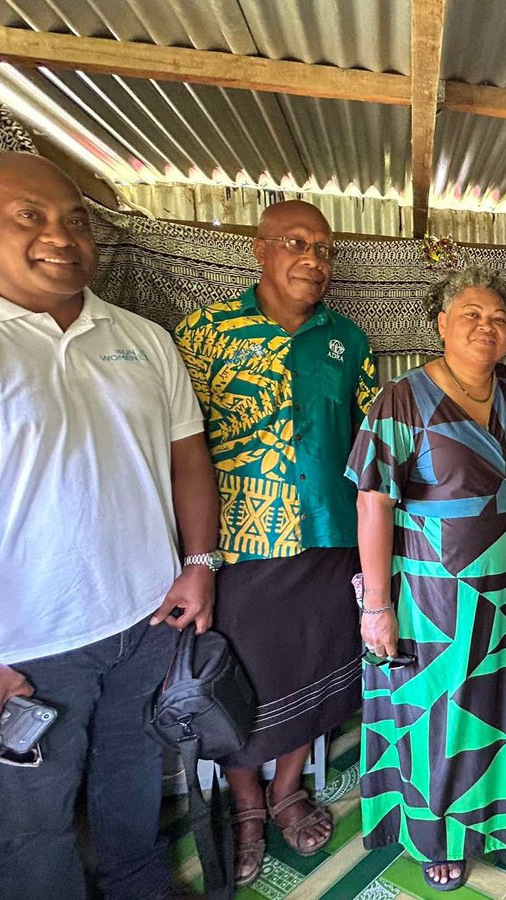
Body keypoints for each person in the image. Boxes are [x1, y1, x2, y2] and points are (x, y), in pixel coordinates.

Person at [0, 152, 218, 900]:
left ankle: (138, 884)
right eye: (30, 216)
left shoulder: (144, 339)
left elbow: (188, 459)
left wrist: (200, 563)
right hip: (23, 645)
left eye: (76, 220)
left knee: (130, 768)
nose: (61, 236)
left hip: (146, 613)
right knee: (30, 820)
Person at [347, 265, 506, 891]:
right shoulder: (402, 398)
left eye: (499, 319)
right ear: (441, 324)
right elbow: (373, 502)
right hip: (437, 593)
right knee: (444, 712)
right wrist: (377, 605)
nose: (487, 328)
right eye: (471, 315)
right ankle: (438, 837)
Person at [173, 200, 377, 885]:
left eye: (324, 249)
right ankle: (246, 806)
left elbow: (367, 444)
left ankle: (288, 790)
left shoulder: (347, 339)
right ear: (260, 250)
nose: (313, 259)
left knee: (316, 667)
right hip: (239, 542)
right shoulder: (205, 333)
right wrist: (193, 552)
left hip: (329, 538)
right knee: (238, 679)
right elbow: (181, 444)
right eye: (296, 243)